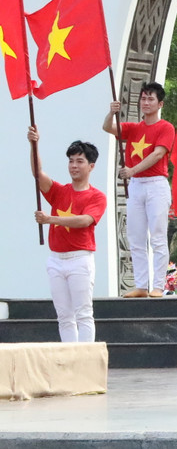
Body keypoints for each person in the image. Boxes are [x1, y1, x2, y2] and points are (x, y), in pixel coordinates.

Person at [29, 129, 106, 342]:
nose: (74, 165)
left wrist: (50, 220)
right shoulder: (59, 191)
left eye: (79, 161)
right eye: (71, 161)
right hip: (56, 259)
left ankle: (85, 362)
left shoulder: (97, 196)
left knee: (83, 313)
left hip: (80, 259)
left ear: (91, 166)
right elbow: (38, 174)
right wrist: (34, 145)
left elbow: (85, 221)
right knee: (64, 316)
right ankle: (69, 360)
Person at [103, 82, 173, 298]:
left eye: (150, 99)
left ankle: (158, 286)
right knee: (135, 236)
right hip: (137, 187)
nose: (146, 102)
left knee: (158, 237)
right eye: (143, 98)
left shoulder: (165, 127)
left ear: (159, 103)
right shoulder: (134, 128)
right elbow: (108, 127)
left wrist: (132, 170)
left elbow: (158, 154)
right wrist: (111, 112)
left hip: (156, 185)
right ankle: (141, 286)